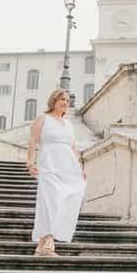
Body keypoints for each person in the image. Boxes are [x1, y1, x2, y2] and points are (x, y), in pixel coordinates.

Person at [27, 88, 87, 256]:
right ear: (54, 101)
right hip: (48, 165)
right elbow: (32, 140)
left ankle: (40, 245)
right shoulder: (43, 119)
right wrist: (30, 162)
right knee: (50, 200)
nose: (65, 103)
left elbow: (72, 147)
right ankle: (49, 240)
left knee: (67, 199)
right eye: (62, 100)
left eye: (67, 101)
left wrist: (80, 168)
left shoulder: (68, 124)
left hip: (67, 167)